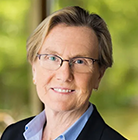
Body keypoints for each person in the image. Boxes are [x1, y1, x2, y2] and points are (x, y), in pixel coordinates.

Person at [1, 6, 127, 140]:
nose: (64, 75)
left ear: (99, 75)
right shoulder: (12, 135)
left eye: (80, 61)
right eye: (52, 58)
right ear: (34, 69)